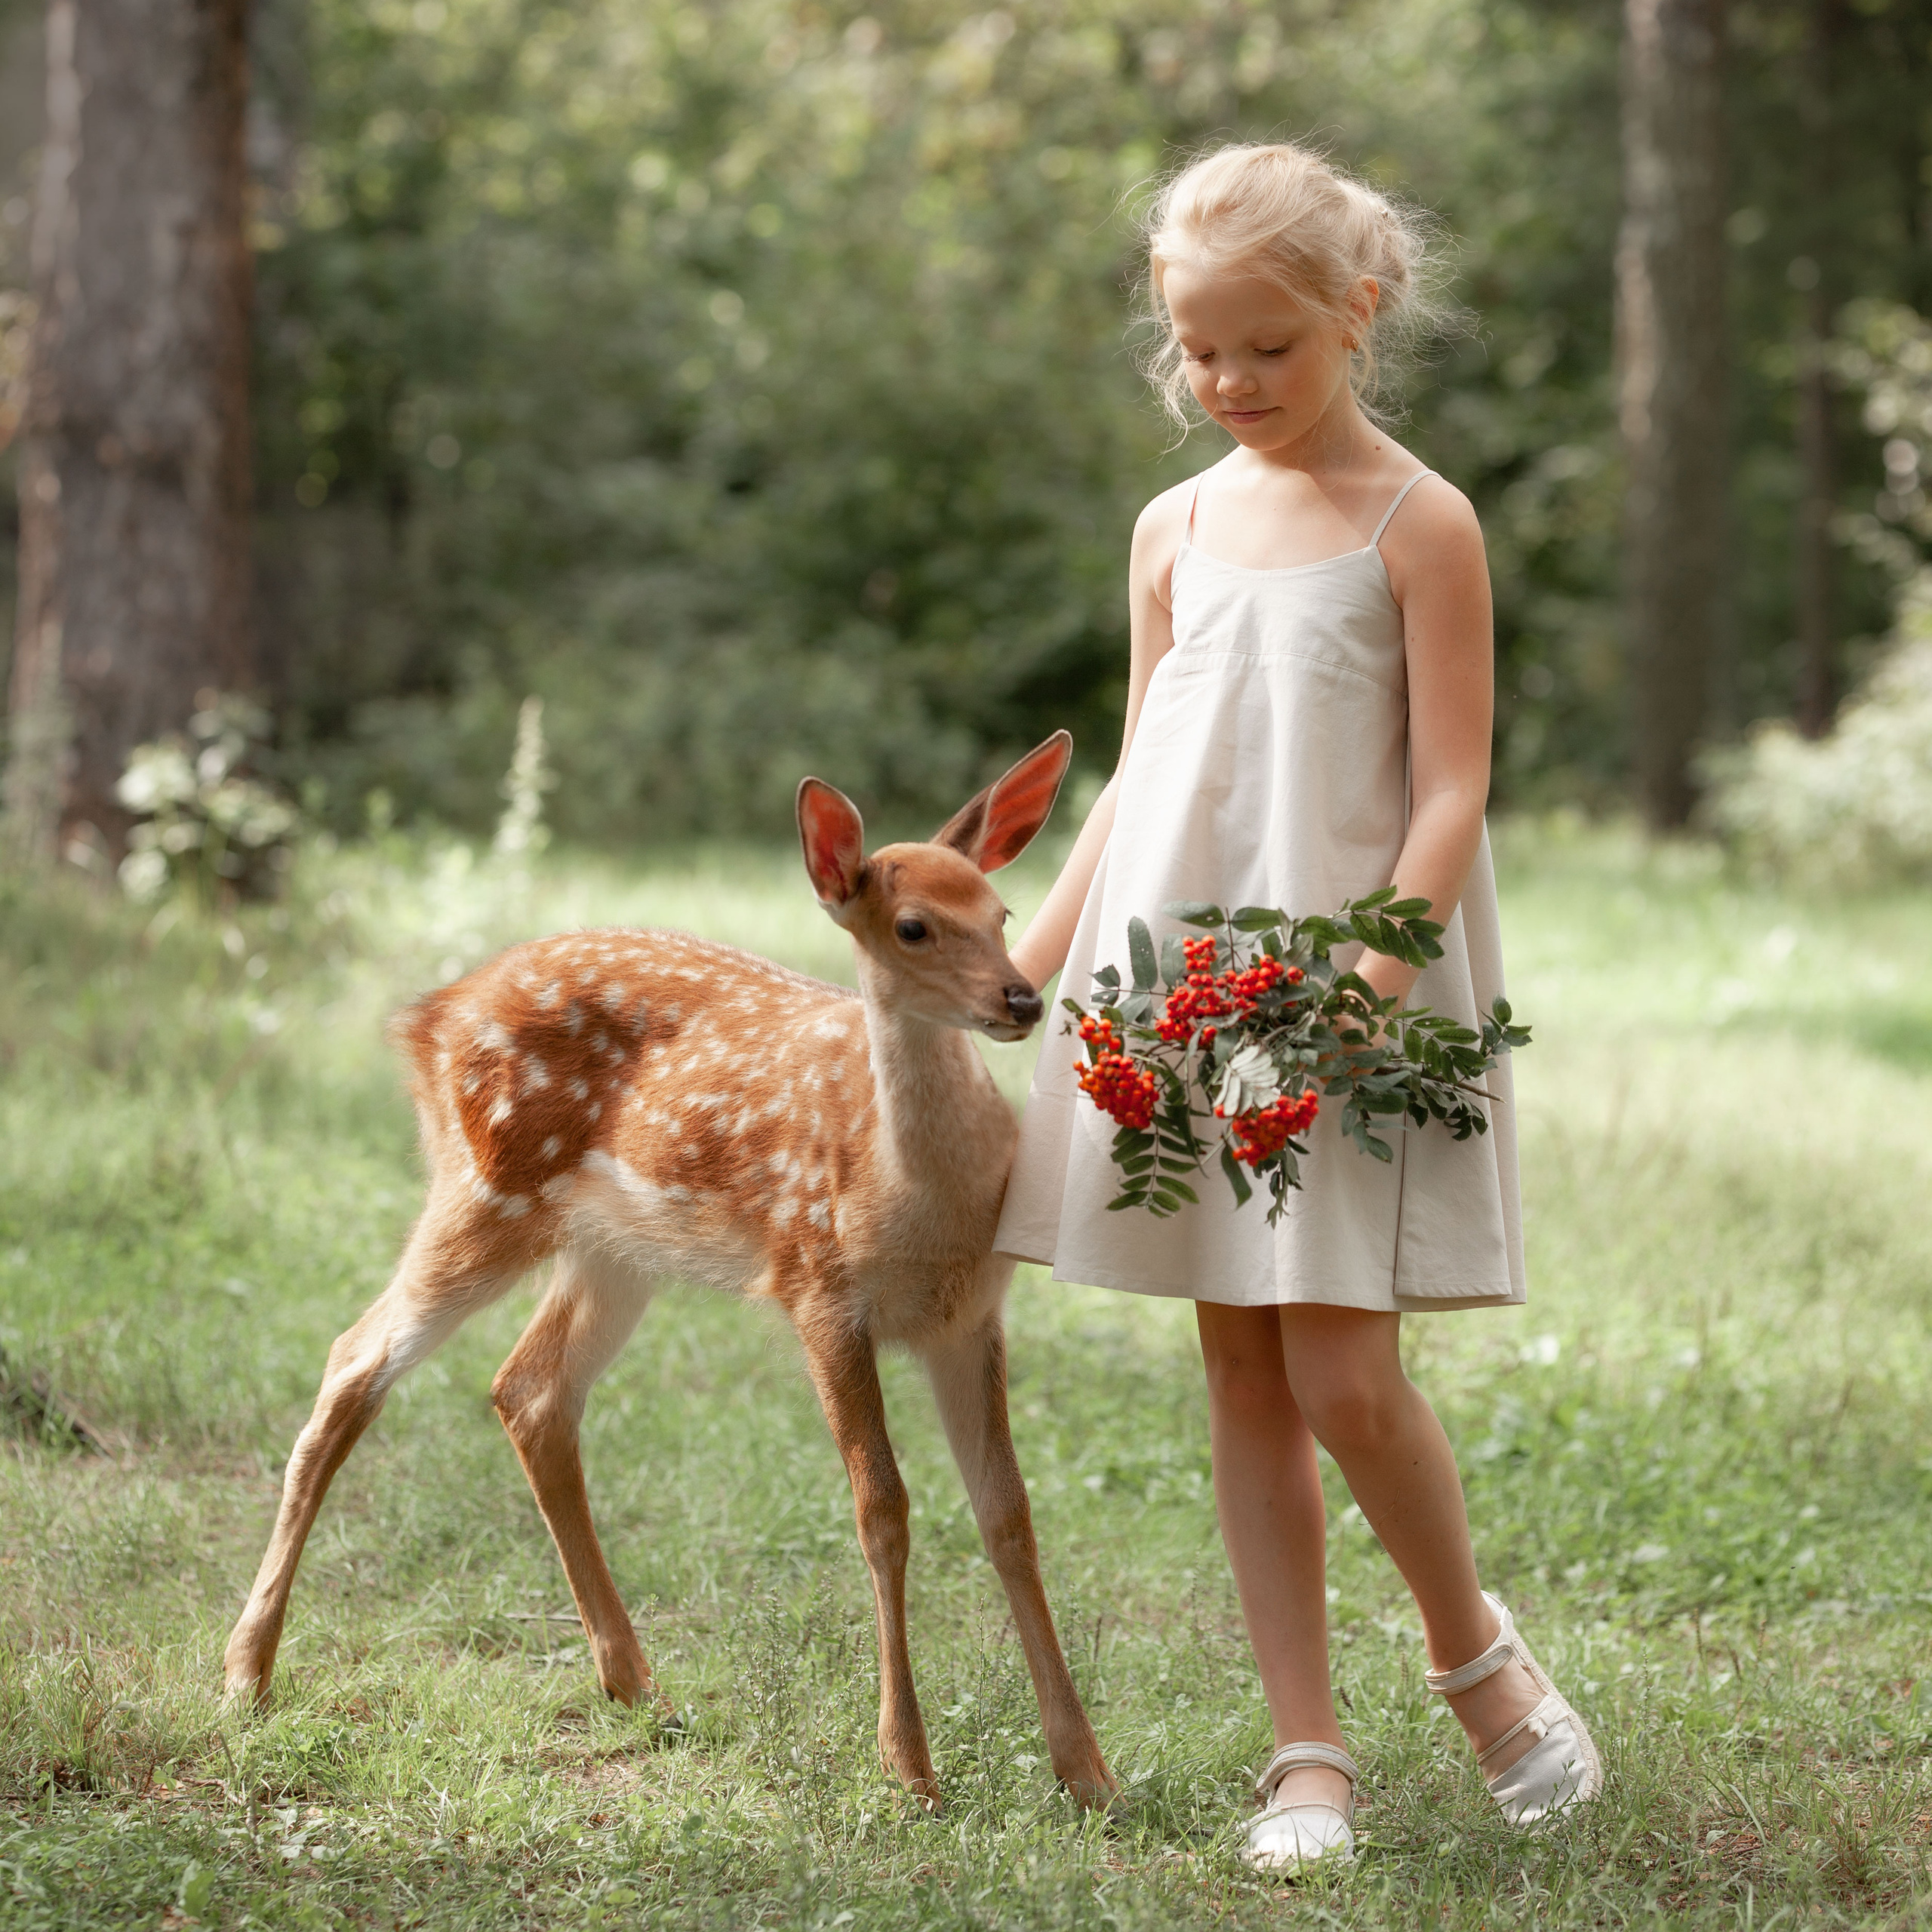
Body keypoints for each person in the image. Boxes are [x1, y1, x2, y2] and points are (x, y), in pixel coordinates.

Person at [995, 142, 1600, 1874]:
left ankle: (1475, 1661)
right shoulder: (1171, 529)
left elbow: (1452, 784)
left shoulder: (1421, 523)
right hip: (1178, 984)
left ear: (1358, 310)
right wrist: (1032, 957)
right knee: (1241, 1360)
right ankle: (1304, 1753)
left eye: (1263, 346)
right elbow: (1139, 766)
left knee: (1343, 1368)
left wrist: (1369, 985)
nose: (1227, 381)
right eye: (1198, 349)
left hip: (1341, 983)